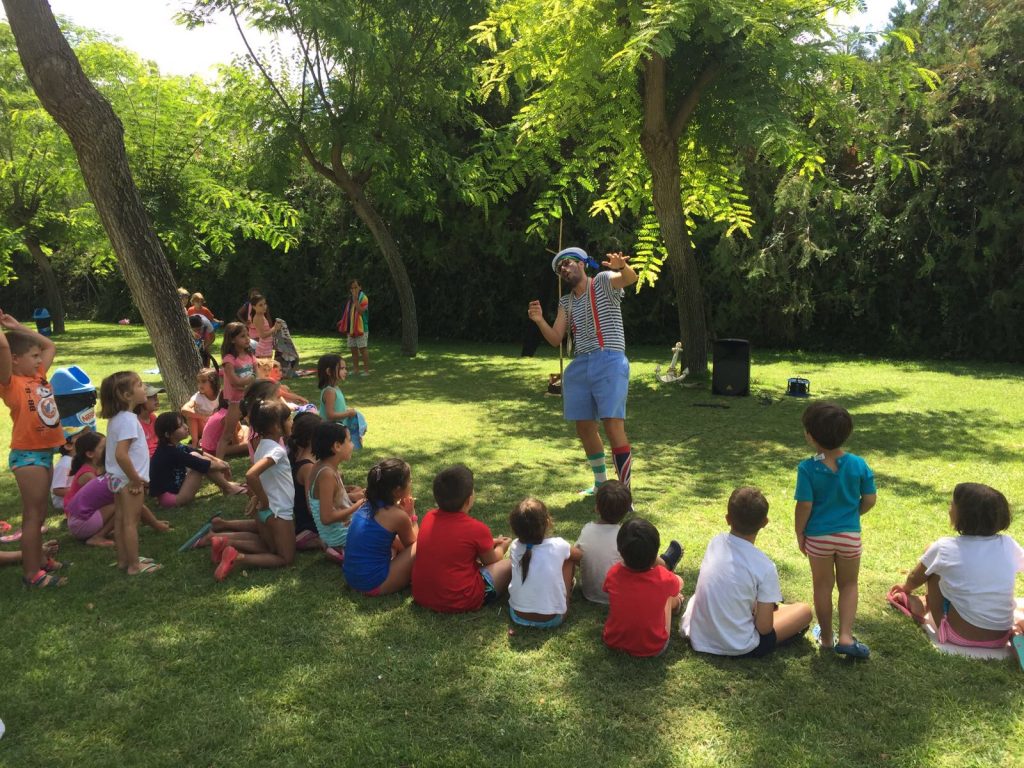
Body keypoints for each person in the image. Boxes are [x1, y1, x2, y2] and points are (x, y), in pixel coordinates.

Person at [527, 248, 637, 495]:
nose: (564, 270)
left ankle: (624, 492)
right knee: (584, 427)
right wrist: (539, 320)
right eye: (560, 269)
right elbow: (556, 338)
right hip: (580, 365)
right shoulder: (566, 301)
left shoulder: (603, 281)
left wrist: (621, 267)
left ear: (583, 264)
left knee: (612, 425)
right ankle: (600, 483)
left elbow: (630, 279)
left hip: (609, 358)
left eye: (567, 263)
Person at [887, 483, 1024, 649]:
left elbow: (915, 577)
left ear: (964, 515)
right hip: (1000, 637)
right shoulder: (1009, 545)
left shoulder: (945, 547)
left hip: (958, 635)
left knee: (933, 559)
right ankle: (924, 602)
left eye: (952, 504)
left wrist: (905, 588)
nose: (949, 507)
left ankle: (922, 604)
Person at [682, 487, 812, 658]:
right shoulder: (765, 567)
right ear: (765, 522)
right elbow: (764, 628)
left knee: (768, 605)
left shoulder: (716, 542)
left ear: (728, 519)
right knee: (804, 611)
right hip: (739, 645)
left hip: (697, 635)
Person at [794, 401, 876, 657]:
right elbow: (870, 499)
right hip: (850, 537)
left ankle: (827, 638)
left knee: (822, 585)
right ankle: (846, 637)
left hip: (818, 538)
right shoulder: (859, 464)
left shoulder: (807, 468)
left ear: (810, 435)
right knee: (849, 584)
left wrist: (800, 532)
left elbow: (804, 506)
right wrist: (853, 514)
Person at [0, 311, 68, 587]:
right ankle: (32, 574)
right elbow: (4, 346)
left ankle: (39, 560)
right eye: (33, 356)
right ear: (15, 360)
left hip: (43, 451)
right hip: (27, 455)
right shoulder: (10, 383)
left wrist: (18, 327)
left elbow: (49, 345)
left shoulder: (38, 376)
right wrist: (7, 334)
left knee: (39, 515)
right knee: (32, 515)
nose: (40, 360)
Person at [212, 400, 296, 581]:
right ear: (276, 426)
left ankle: (225, 544)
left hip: (265, 512)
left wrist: (259, 501)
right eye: (288, 419)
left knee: (272, 549)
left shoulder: (261, 446)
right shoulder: (277, 451)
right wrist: (263, 499)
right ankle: (239, 558)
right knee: (286, 558)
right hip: (278, 512)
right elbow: (251, 475)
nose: (291, 423)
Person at [412, 464, 513, 613]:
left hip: (421, 595)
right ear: (468, 500)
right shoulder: (477, 529)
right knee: (510, 564)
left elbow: (452, 545)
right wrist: (502, 547)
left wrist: (487, 543)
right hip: (461, 600)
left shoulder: (428, 517)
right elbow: (492, 560)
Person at [576, 480, 682, 604]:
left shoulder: (587, 529)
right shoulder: (626, 535)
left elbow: (577, 557)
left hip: (590, 593)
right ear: (627, 510)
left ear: (597, 508)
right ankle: (666, 563)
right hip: (621, 593)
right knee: (642, 549)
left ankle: (664, 563)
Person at [100, 371, 163, 575]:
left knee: (120, 519)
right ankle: (135, 565)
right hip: (128, 480)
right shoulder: (128, 419)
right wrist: (136, 479)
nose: (144, 388)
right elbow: (121, 454)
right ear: (126, 395)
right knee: (130, 522)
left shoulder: (117, 418)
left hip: (116, 478)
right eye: (139, 385)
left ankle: (123, 560)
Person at [65, 431, 168, 546]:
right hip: (80, 524)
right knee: (125, 504)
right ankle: (98, 537)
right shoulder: (120, 479)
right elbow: (138, 506)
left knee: (123, 503)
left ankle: (101, 532)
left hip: (76, 521)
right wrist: (157, 525)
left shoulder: (113, 475)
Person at [603, 519, 685, 657]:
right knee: (670, 595)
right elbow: (679, 583)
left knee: (663, 591)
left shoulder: (613, 573)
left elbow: (607, 589)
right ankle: (677, 603)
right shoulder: (663, 577)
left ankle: (675, 601)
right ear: (655, 555)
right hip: (653, 647)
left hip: (613, 641)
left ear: (620, 550)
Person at [343, 458, 417, 596]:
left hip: (352, 579)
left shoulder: (367, 505)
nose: (411, 483)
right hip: (372, 584)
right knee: (419, 547)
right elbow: (412, 545)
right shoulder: (397, 516)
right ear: (397, 490)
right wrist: (411, 515)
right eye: (409, 480)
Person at [507, 497, 582, 628]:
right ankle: (567, 595)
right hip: (553, 619)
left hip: (517, 615)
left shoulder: (514, 546)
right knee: (568, 559)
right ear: (547, 522)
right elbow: (579, 555)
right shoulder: (558, 545)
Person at [149, 412, 244, 507]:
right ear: (168, 434)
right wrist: (224, 466)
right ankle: (229, 488)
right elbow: (204, 465)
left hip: (173, 493)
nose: (186, 427)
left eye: (184, 423)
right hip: (173, 499)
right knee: (199, 464)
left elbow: (199, 452)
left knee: (195, 455)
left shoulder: (172, 446)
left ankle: (226, 485)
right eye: (180, 426)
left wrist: (219, 461)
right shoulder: (171, 453)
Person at [306, 421, 363, 564]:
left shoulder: (322, 466)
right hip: (341, 536)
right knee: (387, 532)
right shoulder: (326, 474)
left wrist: (352, 493)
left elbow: (329, 498)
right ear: (337, 446)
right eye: (349, 441)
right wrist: (359, 505)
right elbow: (326, 517)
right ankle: (340, 550)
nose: (353, 445)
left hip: (340, 532)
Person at [217, 322, 256, 458]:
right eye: (242, 336)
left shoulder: (250, 355)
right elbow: (235, 382)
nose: (247, 339)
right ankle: (218, 463)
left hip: (251, 399)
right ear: (232, 339)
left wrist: (250, 381)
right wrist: (249, 380)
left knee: (257, 430)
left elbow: (257, 375)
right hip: (236, 401)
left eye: (248, 335)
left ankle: (255, 459)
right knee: (227, 434)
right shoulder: (229, 359)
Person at [289, 412, 323, 550]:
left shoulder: (301, 458)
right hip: (309, 525)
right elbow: (312, 507)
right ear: (311, 439)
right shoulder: (308, 467)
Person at [50, 426, 89, 511]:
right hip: (64, 501)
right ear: (68, 446)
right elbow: (57, 490)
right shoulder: (64, 464)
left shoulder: (78, 460)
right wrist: (80, 491)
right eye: (79, 438)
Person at [181, 367, 221, 445]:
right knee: (191, 416)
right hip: (203, 427)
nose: (200, 385)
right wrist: (204, 417)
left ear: (213, 382)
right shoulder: (198, 397)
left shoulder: (221, 395)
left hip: (216, 427)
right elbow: (184, 409)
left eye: (203, 381)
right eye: (198, 382)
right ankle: (195, 442)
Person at [339, 279, 370, 375]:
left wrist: (356, 300)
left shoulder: (364, 298)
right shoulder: (350, 299)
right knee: (353, 349)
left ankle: (366, 371)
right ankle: (356, 370)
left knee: (362, 349)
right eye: (352, 288)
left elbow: (360, 312)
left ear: (360, 287)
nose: (354, 290)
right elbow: (348, 313)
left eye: (356, 287)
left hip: (361, 328)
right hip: (351, 328)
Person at [317, 354, 356, 425]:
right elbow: (330, 415)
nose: (345, 371)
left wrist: (346, 411)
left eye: (345, 368)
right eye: (342, 368)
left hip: (338, 428)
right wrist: (348, 413)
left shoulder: (335, 388)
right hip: (331, 431)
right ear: (329, 371)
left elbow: (337, 408)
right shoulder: (330, 391)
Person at [248, 293, 280, 361]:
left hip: (267, 347)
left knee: (267, 369)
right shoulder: (258, 317)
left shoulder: (261, 316)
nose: (264, 306)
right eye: (260, 305)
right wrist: (274, 328)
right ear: (254, 307)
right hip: (264, 350)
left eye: (264, 304)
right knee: (265, 370)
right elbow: (262, 335)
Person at [135, 384, 163, 457]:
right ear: (141, 400)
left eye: (156, 396)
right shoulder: (135, 422)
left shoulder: (153, 417)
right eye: (152, 397)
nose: (157, 399)